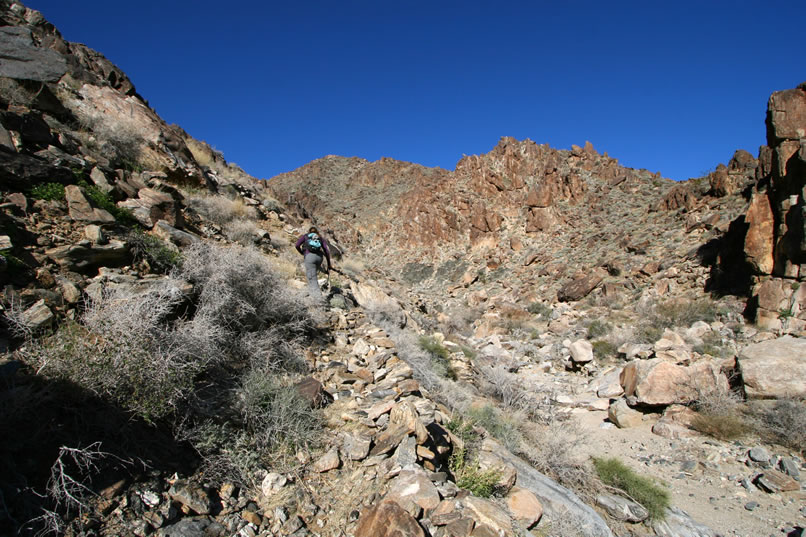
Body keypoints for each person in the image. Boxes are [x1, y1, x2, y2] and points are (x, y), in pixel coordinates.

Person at [295, 226, 332, 304]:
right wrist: (329, 264)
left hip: (309, 257)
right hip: (319, 258)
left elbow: (297, 245)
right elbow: (327, 251)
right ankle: (312, 294)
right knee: (312, 276)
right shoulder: (320, 238)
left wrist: (302, 253)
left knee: (312, 278)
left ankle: (318, 300)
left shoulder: (305, 236)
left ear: (309, 232)